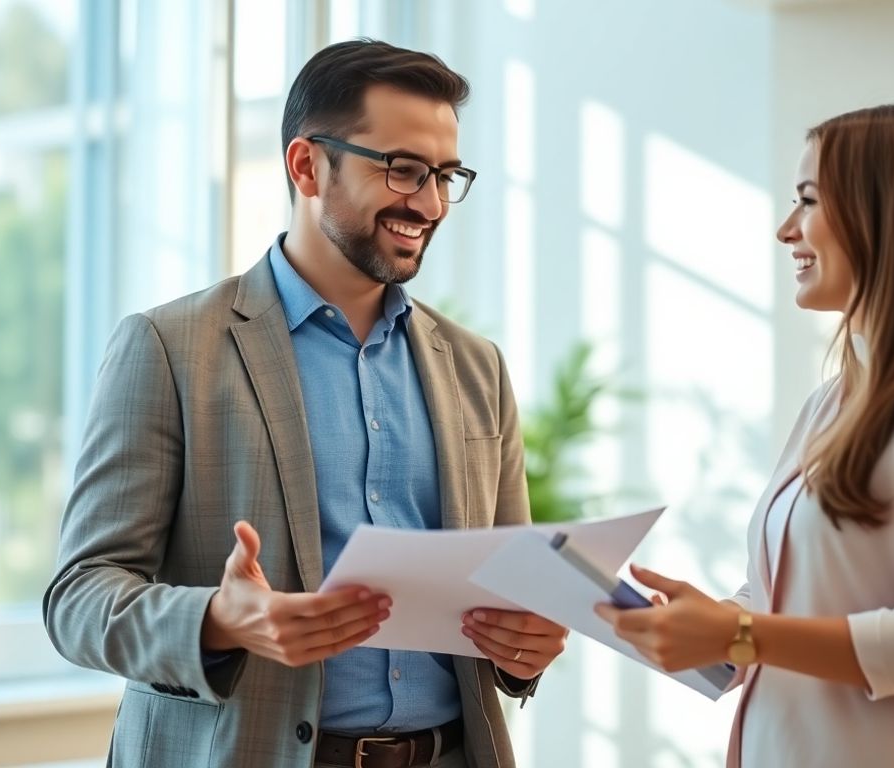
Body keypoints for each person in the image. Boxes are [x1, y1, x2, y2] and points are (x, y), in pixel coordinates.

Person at [43, 39, 568, 768]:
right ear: (306, 166)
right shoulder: (169, 347)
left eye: (446, 175)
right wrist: (219, 620)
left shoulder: (477, 368)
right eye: (404, 169)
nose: (431, 202)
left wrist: (525, 649)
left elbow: (510, 590)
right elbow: (78, 599)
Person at [597, 102, 894, 767]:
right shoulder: (838, 397)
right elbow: (796, 594)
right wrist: (716, 624)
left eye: (808, 201)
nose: (787, 230)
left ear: (887, 214)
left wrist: (744, 633)